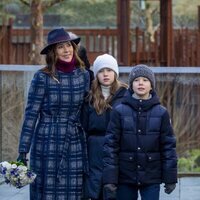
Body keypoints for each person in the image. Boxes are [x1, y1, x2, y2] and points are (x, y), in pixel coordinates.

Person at [17, 27, 90, 200]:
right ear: (53, 52)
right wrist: (22, 151)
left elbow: (88, 110)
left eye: (68, 45)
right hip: (46, 142)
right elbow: (31, 115)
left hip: (74, 142)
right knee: (47, 193)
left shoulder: (83, 75)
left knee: (74, 191)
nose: (66, 50)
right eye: (60, 47)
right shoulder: (42, 77)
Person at [103, 64, 177, 200]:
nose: (140, 83)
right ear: (131, 85)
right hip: (125, 176)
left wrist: (170, 177)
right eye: (136, 80)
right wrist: (110, 179)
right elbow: (111, 146)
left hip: (151, 176)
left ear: (151, 85)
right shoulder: (119, 111)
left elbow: (168, 146)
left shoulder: (161, 113)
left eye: (145, 80)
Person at [81, 54, 128, 200]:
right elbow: (83, 126)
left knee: (116, 188)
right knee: (95, 188)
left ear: (115, 72)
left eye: (109, 70)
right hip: (94, 148)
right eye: (101, 71)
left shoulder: (126, 96)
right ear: (96, 75)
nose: (105, 74)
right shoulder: (90, 98)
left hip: (118, 147)